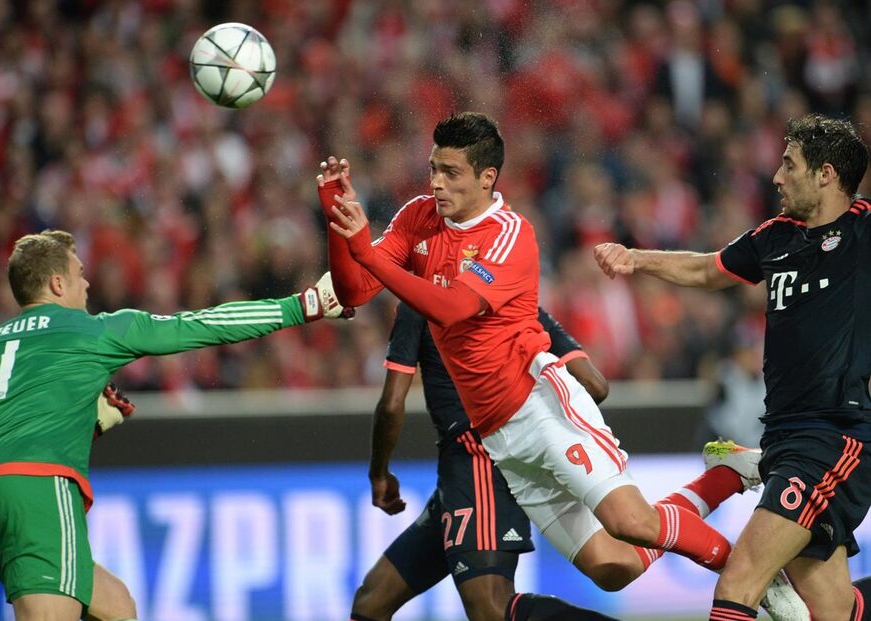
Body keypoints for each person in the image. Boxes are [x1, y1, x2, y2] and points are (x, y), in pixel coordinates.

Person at [317, 112, 805, 619]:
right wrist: (340, 222)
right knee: (613, 567)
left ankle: (754, 576)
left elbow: (455, 308)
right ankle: (724, 475)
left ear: (487, 177)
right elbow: (353, 290)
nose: (437, 183)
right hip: (499, 440)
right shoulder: (419, 216)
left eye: (452, 172)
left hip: (539, 406)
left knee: (631, 522)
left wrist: (370, 255)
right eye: (434, 169)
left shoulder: (509, 234)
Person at [0, 230, 352, 621]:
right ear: (57, 284)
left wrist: (88, 423)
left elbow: (10, 423)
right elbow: (203, 325)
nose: (86, 285)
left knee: (115, 604)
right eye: (79, 273)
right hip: (35, 487)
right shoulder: (95, 331)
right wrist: (307, 304)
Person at [594, 112, 871, 620]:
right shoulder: (776, 236)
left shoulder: (864, 232)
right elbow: (706, 268)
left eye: (790, 165)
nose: (777, 177)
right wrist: (636, 258)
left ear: (827, 174)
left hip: (832, 439)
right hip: (784, 437)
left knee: (740, 580)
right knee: (832, 608)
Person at [352, 302, 616, 621]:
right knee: (373, 599)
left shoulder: (420, 301)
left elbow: (393, 404)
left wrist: (379, 473)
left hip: (476, 456)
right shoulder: (515, 296)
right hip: (471, 472)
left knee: (489, 605)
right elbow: (595, 386)